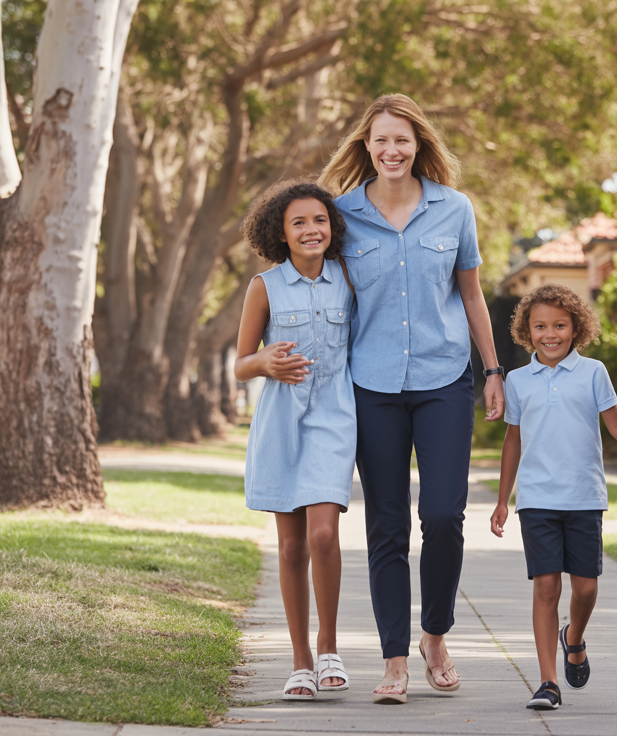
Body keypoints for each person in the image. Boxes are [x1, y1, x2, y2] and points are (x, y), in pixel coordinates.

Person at [319, 94, 505, 704]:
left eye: (402, 139)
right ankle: (395, 660)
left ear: (418, 143)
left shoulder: (454, 209)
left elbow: (473, 296)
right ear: (366, 147)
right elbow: (326, 297)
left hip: (444, 377)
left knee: (446, 517)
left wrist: (495, 370)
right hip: (370, 385)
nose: (391, 150)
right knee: (388, 527)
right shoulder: (342, 215)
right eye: (381, 141)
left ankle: (435, 635)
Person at [490, 284, 617, 711]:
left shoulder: (594, 372)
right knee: (546, 586)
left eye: (560, 325)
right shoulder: (519, 380)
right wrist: (503, 499)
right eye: (540, 326)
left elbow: (616, 423)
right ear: (527, 330)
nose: (551, 334)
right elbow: (513, 440)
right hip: (537, 500)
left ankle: (574, 637)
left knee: (584, 588)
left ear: (576, 328)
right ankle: (547, 682)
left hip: (584, 496)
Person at [235, 181, 355, 701]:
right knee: (289, 547)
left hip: (333, 415)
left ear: (333, 227)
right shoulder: (265, 287)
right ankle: (300, 660)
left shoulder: (348, 280)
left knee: (323, 536)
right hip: (282, 422)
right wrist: (265, 362)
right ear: (280, 234)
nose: (312, 230)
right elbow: (241, 364)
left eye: (320, 220)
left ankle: (329, 646)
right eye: (299, 223)